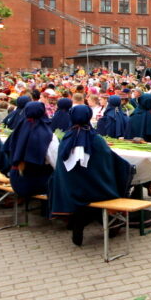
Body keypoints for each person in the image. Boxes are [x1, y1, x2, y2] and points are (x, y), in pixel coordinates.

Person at [47, 104, 134, 246]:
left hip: (71, 190)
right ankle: (111, 224)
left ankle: (79, 225)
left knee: (83, 194)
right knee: (112, 180)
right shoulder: (96, 140)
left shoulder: (66, 139)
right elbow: (108, 163)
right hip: (97, 190)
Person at [4, 101, 54, 198]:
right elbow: (55, 162)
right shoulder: (47, 134)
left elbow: (7, 150)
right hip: (36, 184)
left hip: (16, 180)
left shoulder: (18, 129)